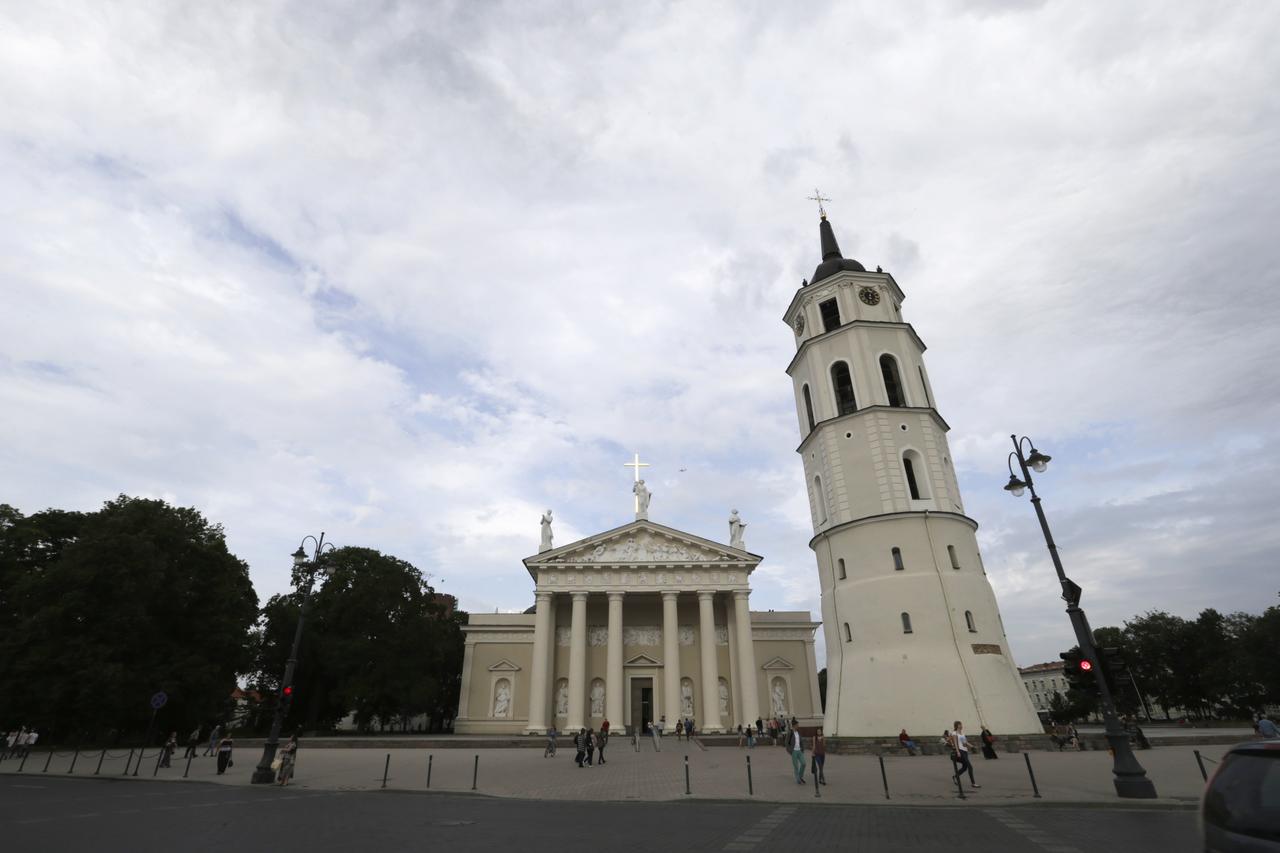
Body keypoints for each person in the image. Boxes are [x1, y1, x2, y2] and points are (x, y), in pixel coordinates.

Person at [948, 721, 979, 789]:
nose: (961, 726)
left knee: (965, 767)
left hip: (965, 751)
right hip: (960, 751)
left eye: (961, 724)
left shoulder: (962, 733)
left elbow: (965, 742)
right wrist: (958, 751)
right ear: (957, 726)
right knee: (970, 766)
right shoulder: (954, 733)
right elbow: (956, 743)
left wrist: (972, 746)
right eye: (960, 725)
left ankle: (955, 776)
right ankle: (973, 783)